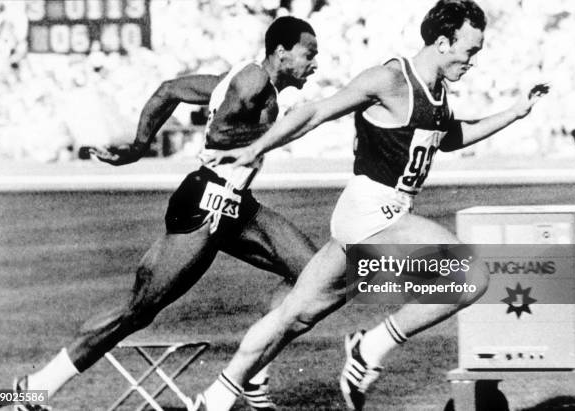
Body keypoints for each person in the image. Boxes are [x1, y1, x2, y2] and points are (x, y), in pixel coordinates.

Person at [197, 1, 549, 410]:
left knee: (295, 315)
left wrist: (514, 113)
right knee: (467, 276)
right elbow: (315, 112)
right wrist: (257, 147)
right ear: (441, 42)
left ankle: (217, 394)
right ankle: (369, 348)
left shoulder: (437, 90)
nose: (473, 61)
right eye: (469, 51)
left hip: (376, 216)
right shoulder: (390, 79)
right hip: (371, 212)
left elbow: (449, 137)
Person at [13, 16, 319, 411]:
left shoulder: (242, 81)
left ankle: (250, 378)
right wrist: (289, 130)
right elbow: (219, 137)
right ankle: (32, 391)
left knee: (314, 272)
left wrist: (140, 145)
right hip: (206, 202)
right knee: (136, 312)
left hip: (235, 204)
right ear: (281, 52)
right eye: (309, 54)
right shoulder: (252, 81)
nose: (314, 64)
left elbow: (168, 90)